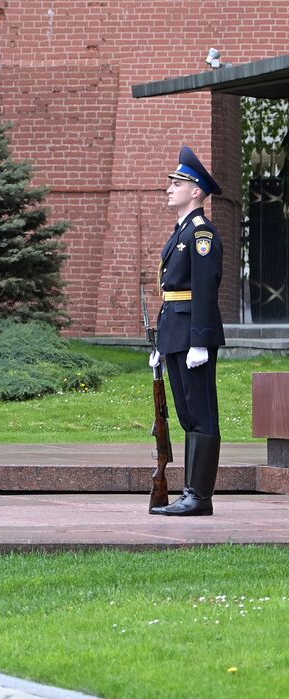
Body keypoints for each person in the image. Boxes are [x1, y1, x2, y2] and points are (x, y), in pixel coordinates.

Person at [149, 145, 224, 517]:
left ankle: (199, 496)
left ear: (196, 191)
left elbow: (205, 291)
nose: (169, 188)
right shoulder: (180, 233)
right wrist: (163, 344)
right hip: (176, 334)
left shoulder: (200, 234)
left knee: (201, 416)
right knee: (186, 417)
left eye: (177, 183)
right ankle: (191, 494)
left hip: (193, 336)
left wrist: (200, 342)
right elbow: (172, 292)